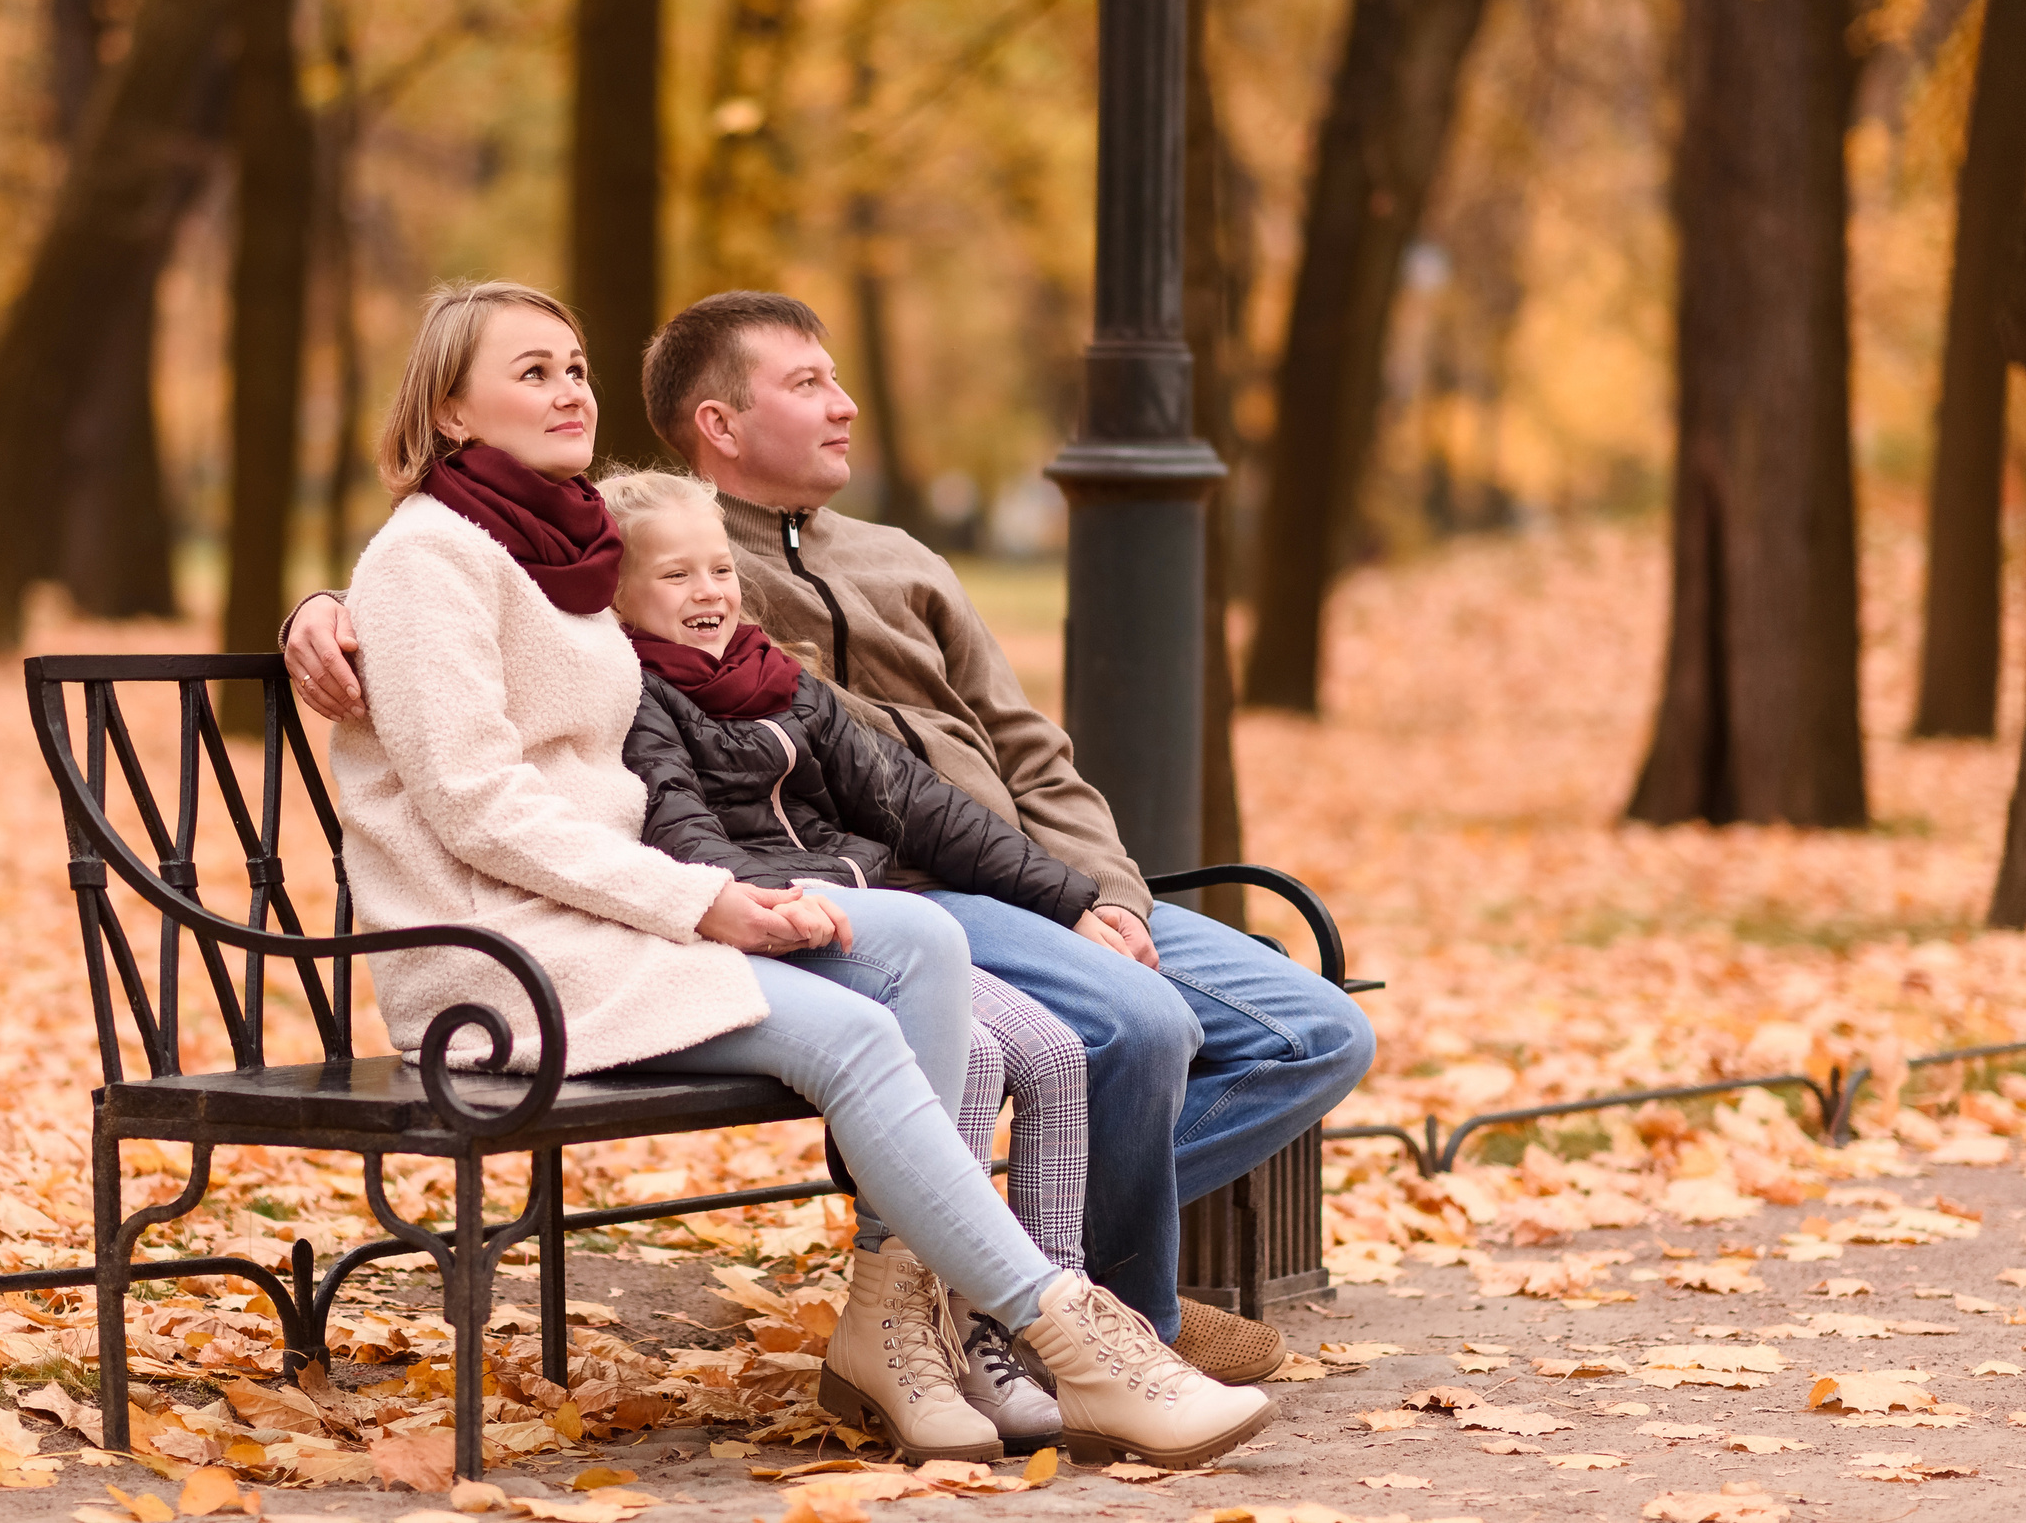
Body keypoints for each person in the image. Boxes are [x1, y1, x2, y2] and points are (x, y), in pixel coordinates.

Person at [285, 290, 1375, 1386]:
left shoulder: (885, 557)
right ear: (718, 422)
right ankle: (1089, 1311)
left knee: (1314, 1030)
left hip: (1009, 874)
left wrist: (1104, 893)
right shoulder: (655, 547)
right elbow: (450, 606)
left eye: (576, 366)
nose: (845, 405)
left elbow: (1025, 745)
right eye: (805, 384)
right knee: (1111, 1023)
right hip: (833, 888)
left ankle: (1027, 1277)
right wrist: (324, 606)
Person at [598, 466, 1093, 1451]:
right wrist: (790, 906)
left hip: (876, 923)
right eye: (674, 576)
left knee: (1057, 1053)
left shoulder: (777, 680)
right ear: (612, 593)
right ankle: (927, 1334)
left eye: (717, 569)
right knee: (984, 1057)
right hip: (777, 931)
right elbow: (683, 838)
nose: (708, 591)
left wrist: (1067, 896)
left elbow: (918, 804)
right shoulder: (634, 695)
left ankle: (1027, 1327)